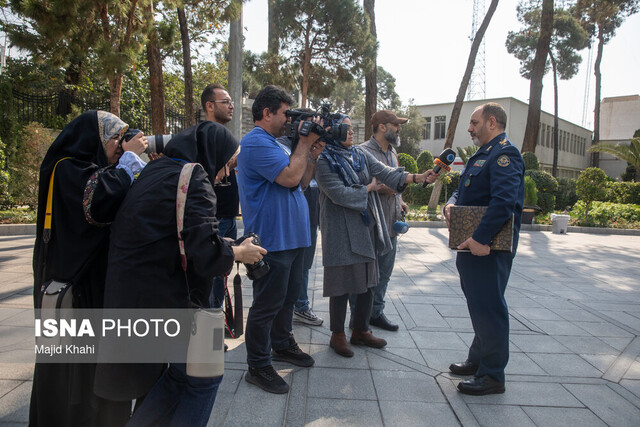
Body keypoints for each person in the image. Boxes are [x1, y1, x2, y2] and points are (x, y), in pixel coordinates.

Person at [94, 121, 266, 426]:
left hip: (136, 294)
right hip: (173, 300)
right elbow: (205, 257)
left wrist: (222, 242)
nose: (226, 174)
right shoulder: (195, 176)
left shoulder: (155, 170)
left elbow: (172, 235)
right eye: (227, 165)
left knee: (177, 375)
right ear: (212, 153)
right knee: (206, 378)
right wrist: (239, 253)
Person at [30, 110, 148, 427]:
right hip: (76, 293)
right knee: (73, 376)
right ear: (93, 138)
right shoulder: (67, 169)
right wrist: (128, 164)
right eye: (115, 138)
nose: (119, 146)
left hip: (93, 288)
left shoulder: (93, 169)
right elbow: (96, 204)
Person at [316, 115, 438, 358]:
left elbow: (386, 172)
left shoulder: (359, 155)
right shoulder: (324, 159)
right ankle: (337, 335)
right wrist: (369, 189)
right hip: (340, 229)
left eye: (352, 128)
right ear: (333, 131)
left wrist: (417, 177)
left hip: (365, 226)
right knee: (340, 284)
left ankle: (361, 330)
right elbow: (339, 194)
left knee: (369, 281)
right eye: (346, 129)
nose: (352, 132)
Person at [237, 85, 325, 394]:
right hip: (271, 239)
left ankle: (282, 343)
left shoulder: (276, 143)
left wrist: (311, 154)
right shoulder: (255, 142)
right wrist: (303, 142)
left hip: (293, 236)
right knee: (267, 304)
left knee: (288, 298)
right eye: (285, 114)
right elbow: (287, 177)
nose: (290, 120)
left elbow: (301, 181)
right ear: (266, 113)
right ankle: (258, 366)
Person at [443, 102, 524, 395]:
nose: (470, 128)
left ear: (492, 122)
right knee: (480, 306)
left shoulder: (505, 154)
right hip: (472, 245)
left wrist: (480, 239)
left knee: (490, 309)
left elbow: (503, 202)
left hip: (488, 248)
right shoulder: (484, 154)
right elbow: (464, 187)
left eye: (474, 122)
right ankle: (478, 360)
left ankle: (492, 375)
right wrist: (452, 202)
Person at [358, 110, 410, 332]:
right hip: (372, 226)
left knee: (385, 274)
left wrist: (400, 200)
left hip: (392, 224)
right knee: (367, 276)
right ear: (382, 127)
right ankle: (359, 319)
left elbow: (396, 182)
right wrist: (387, 189)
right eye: (395, 125)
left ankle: (376, 313)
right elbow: (363, 185)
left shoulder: (393, 152)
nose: (399, 129)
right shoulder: (362, 152)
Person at [275, 113, 324, 327]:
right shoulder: (281, 146)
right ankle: (298, 306)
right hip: (286, 221)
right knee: (287, 274)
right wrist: (304, 147)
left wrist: (312, 155)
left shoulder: (310, 146)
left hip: (308, 213)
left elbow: (305, 182)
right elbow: (292, 180)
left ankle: (299, 306)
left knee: (304, 265)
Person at [200, 84, 240, 309]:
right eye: (226, 102)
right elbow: (204, 177)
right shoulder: (203, 138)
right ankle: (209, 331)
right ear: (210, 105)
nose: (231, 106)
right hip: (214, 219)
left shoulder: (224, 136)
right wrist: (230, 163)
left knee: (221, 277)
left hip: (229, 216)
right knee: (212, 277)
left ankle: (216, 325)